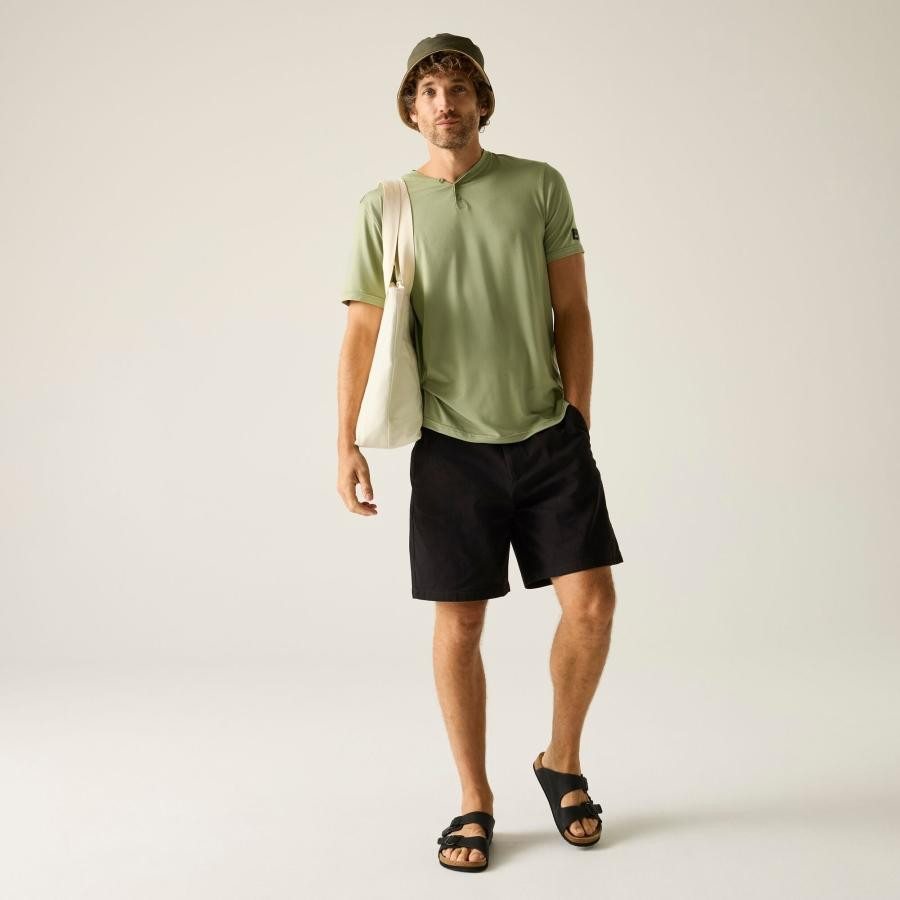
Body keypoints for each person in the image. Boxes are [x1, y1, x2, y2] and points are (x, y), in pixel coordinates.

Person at [336, 34, 623, 872]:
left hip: (548, 436)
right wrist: (345, 442)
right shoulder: (386, 206)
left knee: (592, 606)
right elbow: (359, 333)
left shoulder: (538, 185)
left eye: (459, 89)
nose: (445, 104)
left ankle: (561, 761)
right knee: (459, 623)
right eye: (429, 91)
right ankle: (474, 797)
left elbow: (573, 309)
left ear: (482, 102)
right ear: (411, 108)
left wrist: (577, 415)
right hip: (450, 447)